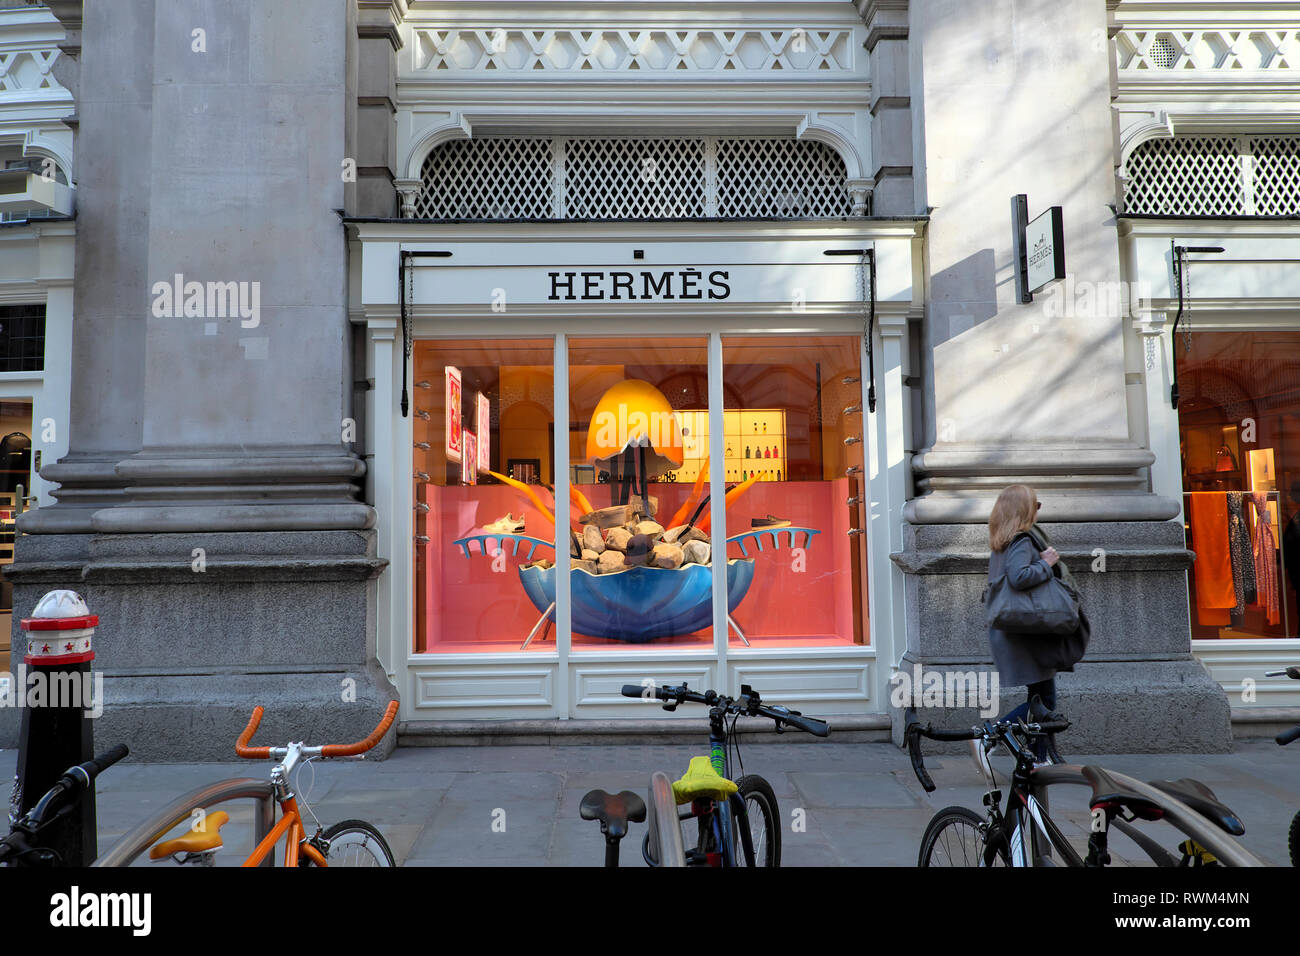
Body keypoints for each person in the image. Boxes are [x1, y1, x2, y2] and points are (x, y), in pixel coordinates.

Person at [986, 483, 1074, 761]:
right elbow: (1019, 577)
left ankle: (1041, 755)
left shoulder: (1002, 540)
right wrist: (1046, 564)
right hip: (1030, 628)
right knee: (1044, 700)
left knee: (1040, 696)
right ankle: (991, 735)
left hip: (1019, 628)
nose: (1038, 510)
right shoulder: (1022, 540)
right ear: (1024, 509)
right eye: (1035, 504)